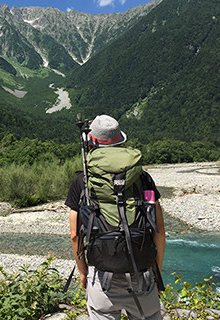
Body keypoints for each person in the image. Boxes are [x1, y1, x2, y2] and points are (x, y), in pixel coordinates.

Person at [65, 115, 165, 320]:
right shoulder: (143, 178)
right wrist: (156, 269)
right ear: (121, 140)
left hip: (102, 278)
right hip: (142, 275)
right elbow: (159, 230)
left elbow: (75, 235)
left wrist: (83, 272)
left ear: (91, 142)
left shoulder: (82, 180)